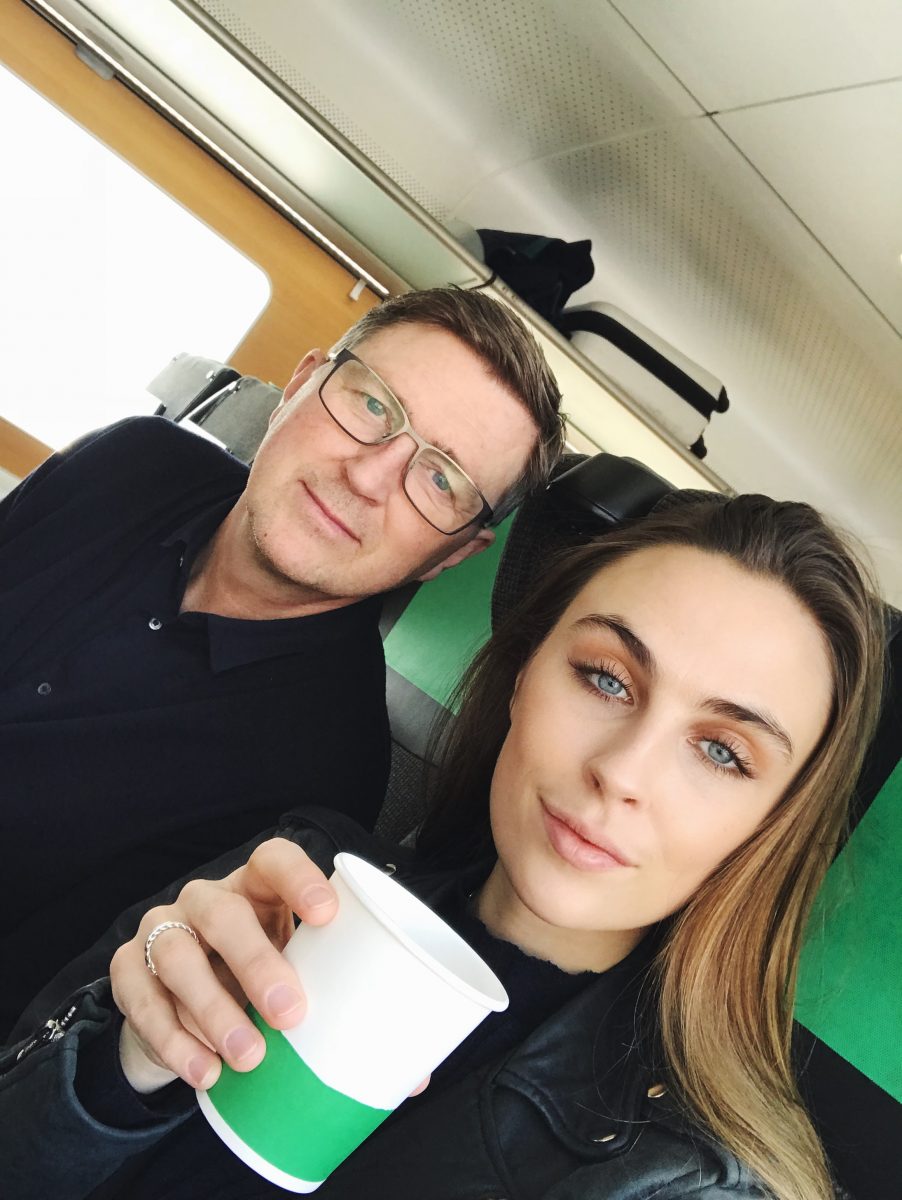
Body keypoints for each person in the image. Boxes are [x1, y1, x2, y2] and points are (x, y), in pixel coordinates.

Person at [0, 494, 885, 1200]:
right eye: (605, 678)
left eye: (723, 752)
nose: (622, 772)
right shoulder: (298, 874)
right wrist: (125, 1063)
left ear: (769, 828)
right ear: (524, 677)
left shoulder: (678, 1182)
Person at [0, 286, 564, 1036]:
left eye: (440, 481)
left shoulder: (320, 783)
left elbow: (38, 1001)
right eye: (373, 405)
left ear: (451, 555)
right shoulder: (134, 459)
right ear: (298, 385)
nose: (368, 478)